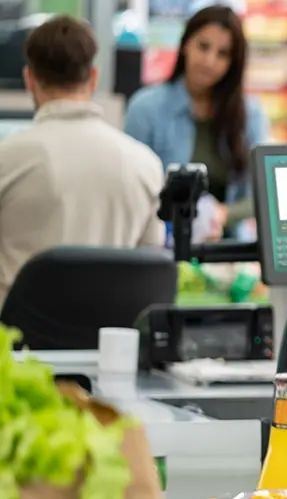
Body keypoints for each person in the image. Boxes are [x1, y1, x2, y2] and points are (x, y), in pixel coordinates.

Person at [0, 15, 165, 307]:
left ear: (30, 79)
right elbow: (151, 266)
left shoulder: (7, 158)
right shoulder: (145, 165)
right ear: (93, 77)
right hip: (109, 346)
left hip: (15, 348)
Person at [124, 4, 268, 239]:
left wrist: (223, 214)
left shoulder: (250, 113)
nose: (209, 61)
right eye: (203, 46)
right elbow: (130, 188)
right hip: (161, 244)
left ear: (234, 63)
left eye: (223, 54)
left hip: (229, 251)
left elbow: (263, 194)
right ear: (185, 44)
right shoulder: (145, 108)